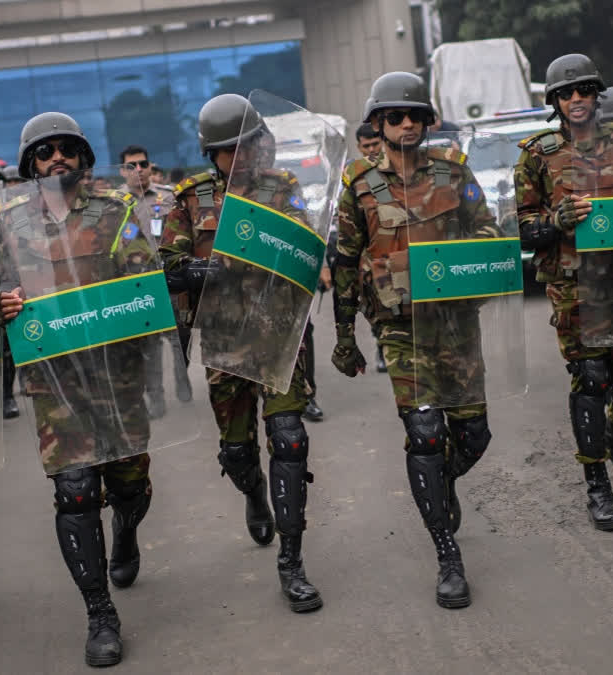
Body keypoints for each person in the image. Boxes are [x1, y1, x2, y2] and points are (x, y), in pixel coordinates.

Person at [0, 112, 156, 665]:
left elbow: (144, 278)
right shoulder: (8, 224)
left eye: (65, 148)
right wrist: (1, 304)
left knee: (130, 485)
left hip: (115, 376)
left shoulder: (118, 213)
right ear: (29, 165)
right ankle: (100, 614)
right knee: (76, 492)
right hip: (53, 382)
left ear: (82, 158)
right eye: (44, 152)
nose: (55, 157)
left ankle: (128, 530)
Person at [333, 71, 497, 607]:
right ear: (377, 124)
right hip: (398, 325)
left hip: (454, 319)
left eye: (415, 116)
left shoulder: (455, 171)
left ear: (427, 121)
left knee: (473, 436)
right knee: (425, 431)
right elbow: (343, 260)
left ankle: (440, 482)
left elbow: (487, 228)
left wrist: (477, 262)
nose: (407, 124)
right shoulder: (358, 182)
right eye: (395, 117)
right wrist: (343, 336)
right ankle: (448, 555)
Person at [160, 93, 324, 612]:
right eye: (229, 148)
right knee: (236, 451)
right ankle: (254, 493)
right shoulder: (191, 198)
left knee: (290, 440)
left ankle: (292, 561)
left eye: (247, 144)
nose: (240, 155)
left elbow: (304, 243)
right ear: (213, 153)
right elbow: (163, 260)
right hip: (224, 341)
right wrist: (190, 270)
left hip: (277, 336)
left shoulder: (283, 189)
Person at [515, 54, 613, 531]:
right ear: (555, 102)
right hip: (575, 284)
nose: (576, 99)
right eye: (566, 93)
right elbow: (520, 228)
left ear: (597, 94)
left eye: (583, 90)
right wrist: (553, 222)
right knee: (592, 378)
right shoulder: (536, 154)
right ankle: (598, 486)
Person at [120, 144, 193, 412]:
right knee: (149, 345)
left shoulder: (169, 196)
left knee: (178, 339)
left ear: (150, 167)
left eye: (143, 164)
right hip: (138, 284)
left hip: (171, 279)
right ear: (122, 171)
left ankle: (184, 385)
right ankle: (156, 398)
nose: (138, 170)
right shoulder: (114, 203)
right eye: (131, 166)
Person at [352, 122, 389, 373]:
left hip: (394, 251)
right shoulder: (355, 178)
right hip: (368, 259)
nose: (372, 149)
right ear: (359, 147)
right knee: (374, 307)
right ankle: (381, 344)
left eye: (376, 143)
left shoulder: (394, 168)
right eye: (366, 146)